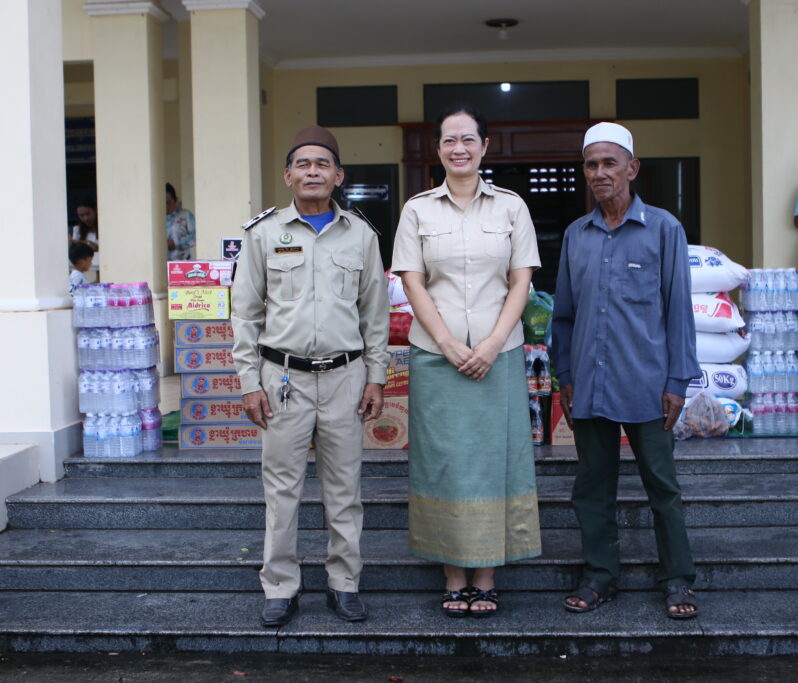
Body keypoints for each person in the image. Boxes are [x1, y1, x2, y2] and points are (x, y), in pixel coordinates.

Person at [230, 126, 390, 627]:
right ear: (288, 175)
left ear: (339, 176)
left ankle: (344, 583)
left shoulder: (361, 235)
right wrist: (249, 382)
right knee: (282, 491)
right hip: (283, 379)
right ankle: (280, 586)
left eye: (323, 164)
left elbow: (376, 315)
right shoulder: (263, 235)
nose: (313, 172)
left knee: (345, 490)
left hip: (345, 377)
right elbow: (245, 314)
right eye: (303, 164)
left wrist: (376, 376)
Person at [390, 104, 542, 618]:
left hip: (500, 355)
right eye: (449, 140)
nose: (459, 148)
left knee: (497, 459)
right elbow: (413, 282)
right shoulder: (417, 211)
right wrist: (450, 344)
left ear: (484, 147)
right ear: (438, 149)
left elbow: (521, 280)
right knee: (443, 462)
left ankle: (487, 575)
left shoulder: (511, 208)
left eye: (468, 139)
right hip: (437, 357)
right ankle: (453, 575)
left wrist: (494, 342)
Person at [550, 122, 701, 620]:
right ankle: (600, 575)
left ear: (632, 168)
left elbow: (679, 311)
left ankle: (677, 579)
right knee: (592, 487)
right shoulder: (576, 235)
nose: (599, 173)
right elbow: (564, 315)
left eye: (609, 163)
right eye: (591, 164)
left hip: (648, 384)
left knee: (663, 487)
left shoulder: (664, 229)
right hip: (589, 383)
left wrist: (678, 381)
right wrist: (565, 375)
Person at [69, 195, 99, 280]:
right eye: (81, 215)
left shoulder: (104, 228)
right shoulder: (77, 230)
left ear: (95, 210)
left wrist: (81, 242)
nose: (85, 218)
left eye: (88, 214)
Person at [166, 182, 197, 260]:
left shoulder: (186, 215)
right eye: (163, 203)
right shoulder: (156, 219)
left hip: (183, 262)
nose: (166, 206)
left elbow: (196, 236)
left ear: (175, 200)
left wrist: (176, 243)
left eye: (168, 202)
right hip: (162, 263)